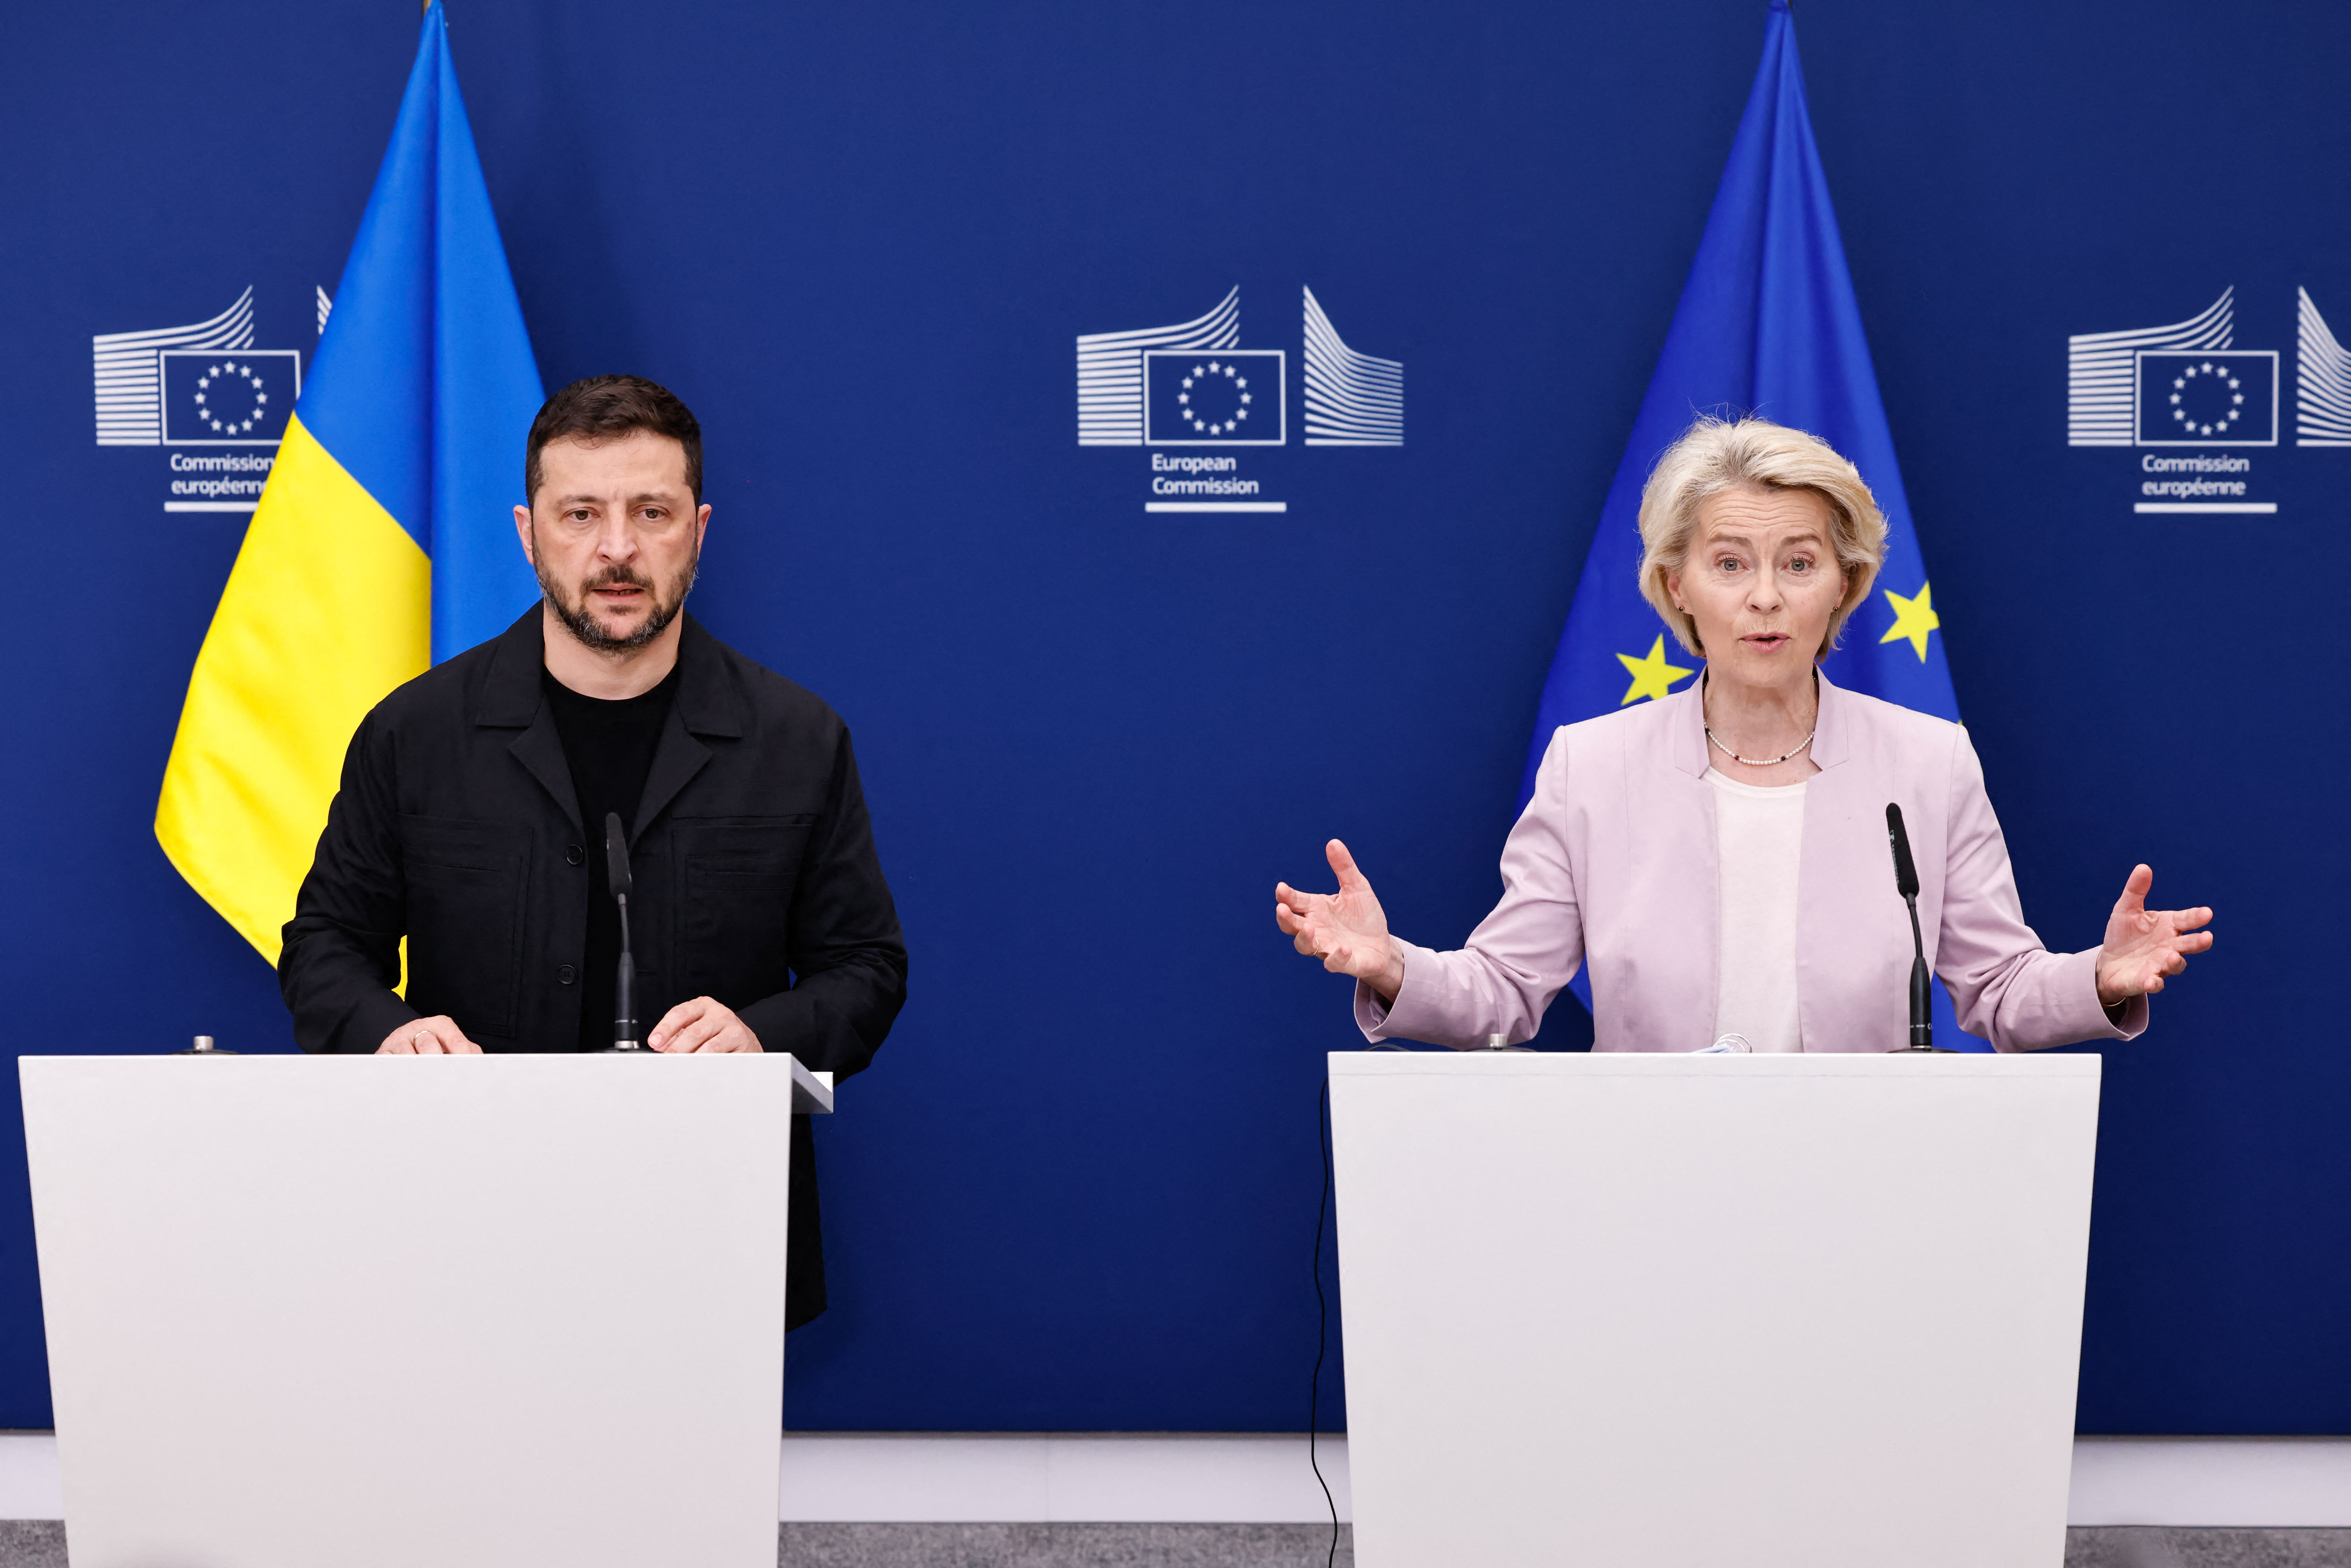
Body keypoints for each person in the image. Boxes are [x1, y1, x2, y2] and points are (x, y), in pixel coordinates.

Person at [1274, 416, 2211, 1054]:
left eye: (1798, 562)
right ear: (1676, 585)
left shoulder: (1926, 764)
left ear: (1842, 586)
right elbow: (1505, 992)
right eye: (1730, 562)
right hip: (1650, 1195)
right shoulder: (1592, 769)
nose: (1764, 596)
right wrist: (1393, 968)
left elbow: (2001, 992)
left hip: (1867, 1194)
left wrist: (2101, 976)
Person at [279, 374, 907, 1326]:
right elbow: (324, 943)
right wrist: (388, 1031)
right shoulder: (415, 734)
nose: (617, 549)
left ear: (697, 530)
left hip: (707, 1233)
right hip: (460, 1223)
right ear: (530, 533)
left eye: (650, 512)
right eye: (581, 514)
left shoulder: (796, 738)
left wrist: (761, 1034)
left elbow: (865, 967)